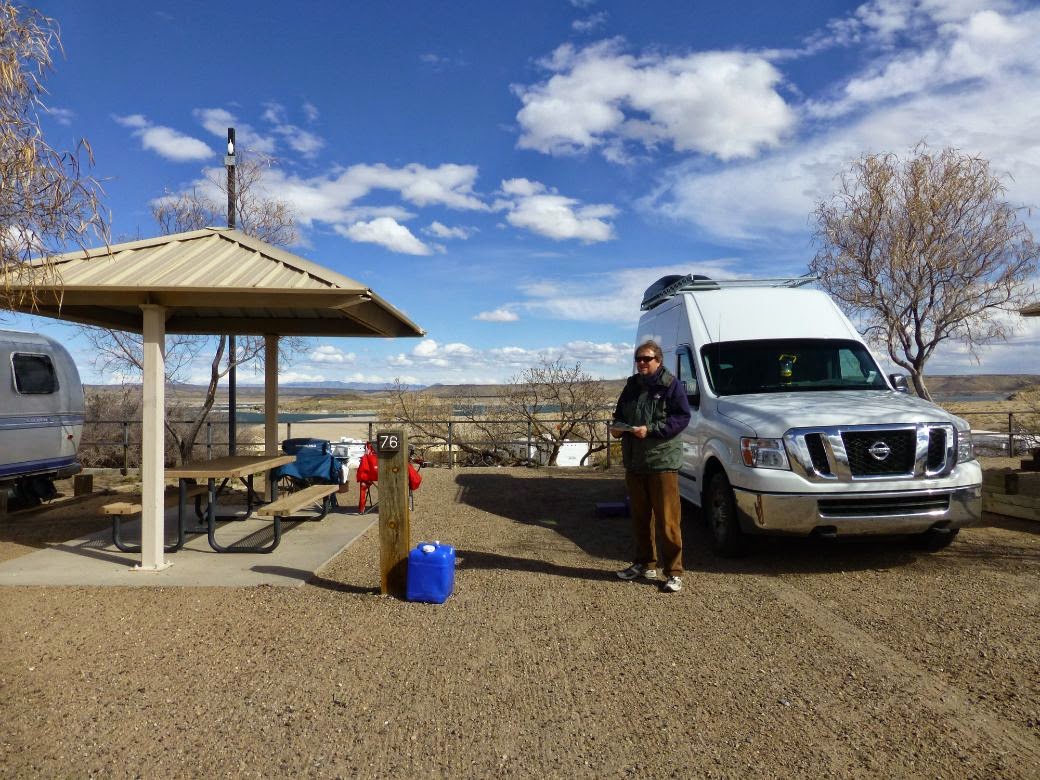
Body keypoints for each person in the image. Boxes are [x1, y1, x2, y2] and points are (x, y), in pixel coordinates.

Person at [610, 340, 692, 593]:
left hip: (661, 462)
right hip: (635, 462)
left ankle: (674, 572)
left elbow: (681, 417)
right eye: (639, 359)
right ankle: (644, 563)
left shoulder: (670, 385)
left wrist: (653, 430)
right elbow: (620, 414)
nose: (642, 363)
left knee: (668, 520)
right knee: (640, 517)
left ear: (658, 360)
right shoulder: (632, 385)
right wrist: (618, 427)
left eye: (647, 358)